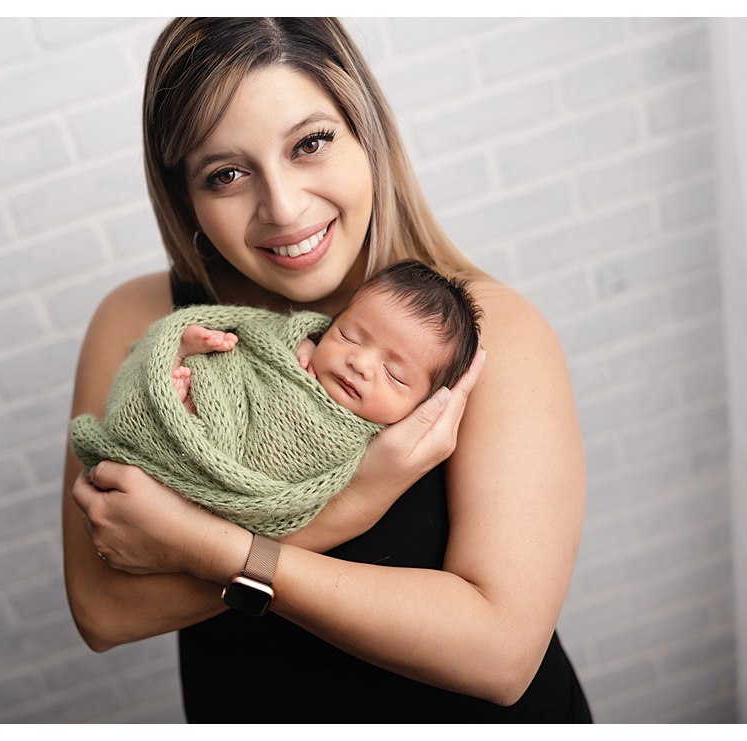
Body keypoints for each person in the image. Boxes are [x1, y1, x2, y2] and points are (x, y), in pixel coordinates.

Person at [64, 17, 591, 722]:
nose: (283, 207)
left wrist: (202, 545)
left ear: (366, 131)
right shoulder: (145, 322)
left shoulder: (496, 333)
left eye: (310, 143)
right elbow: (104, 611)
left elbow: (500, 655)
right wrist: (353, 502)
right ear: (185, 196)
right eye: (225, 174)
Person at [69, 258, 482, 539]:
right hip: (221, 393)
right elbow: (262, 340)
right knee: (199, 358)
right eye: (350, 336)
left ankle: (185, 418)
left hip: (231, 478)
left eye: (394, 374)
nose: (360, 363)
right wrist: (296, 346)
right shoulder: (297, 345)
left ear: (426, 405)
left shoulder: (380, 443)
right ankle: (177, 386)